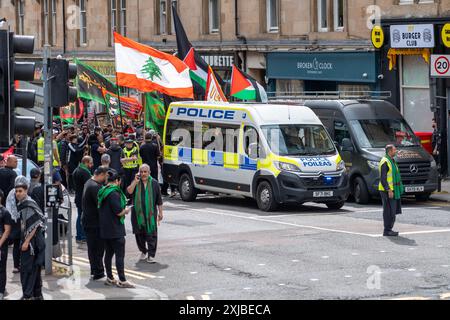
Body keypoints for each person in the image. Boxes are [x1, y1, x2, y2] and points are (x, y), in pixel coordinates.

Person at [97, 169, 134, 288]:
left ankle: (109, 278)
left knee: (108, 254)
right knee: (119, 256)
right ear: (117, 181)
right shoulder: (114, 193)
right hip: (115, 230)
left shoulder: (103, 191)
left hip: (105, 229)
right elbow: (119, 212)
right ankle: (122, 280)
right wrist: (127, 210)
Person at [14, 176, 46, 300]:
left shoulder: (28, 203)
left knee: (28, 270)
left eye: (20, 191)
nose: (18, 193)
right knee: (34, 269)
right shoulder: (22, 203)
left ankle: (28, 295)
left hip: (32, 243)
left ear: (26, 191)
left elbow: (36, 224)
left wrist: (26, 241)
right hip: (32, 242)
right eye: (16, 191)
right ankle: (37, 294)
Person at [127, 164, 163, 263]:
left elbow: (159, 200)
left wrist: (161, 212)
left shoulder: (154, 183)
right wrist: (135, 181)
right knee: (139, 235)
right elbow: (129, 191)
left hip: (150, 215)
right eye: (141, 172)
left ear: (149, 172)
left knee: (151, 235)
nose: (143, 174)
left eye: (145, 172)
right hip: (137, 215)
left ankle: (151, 255)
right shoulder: (136, 182)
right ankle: (143, 251)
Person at [82, 166, 108, 281]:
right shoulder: (95, 187)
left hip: (88, 221)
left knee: (92, 248)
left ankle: (94, 270)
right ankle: (98, 272)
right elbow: (101, 206)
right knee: (98, 248)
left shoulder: (89, 182)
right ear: (101, 174)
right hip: (94, 223)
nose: (106, 179)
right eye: (105, 176)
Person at [379, 144, 403, 237]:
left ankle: (389, 229)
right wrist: (388, 190)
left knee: (392, 211)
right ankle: (387, 230)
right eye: (394, 150)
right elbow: (383, 178)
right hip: (387, 190)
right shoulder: (385, 162)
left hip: (393, 189)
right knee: (388, 211)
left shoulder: (391, 160)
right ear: (389, 151)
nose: (395, 151)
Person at [73, 156, 94, 243]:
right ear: (86, 162)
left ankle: (79, 236)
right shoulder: (85, 172)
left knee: (79, 216)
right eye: (90, 163)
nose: (91, 165)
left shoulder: (76, 170)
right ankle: (82, 236)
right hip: (83, 198)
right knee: (83, 217)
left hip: (78, 197)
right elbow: (89, 186)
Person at [0, 190, 12, 300]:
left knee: (1, 268)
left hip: (1, 245)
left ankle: (1, 290)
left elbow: (7, 231)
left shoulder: (5, 212)